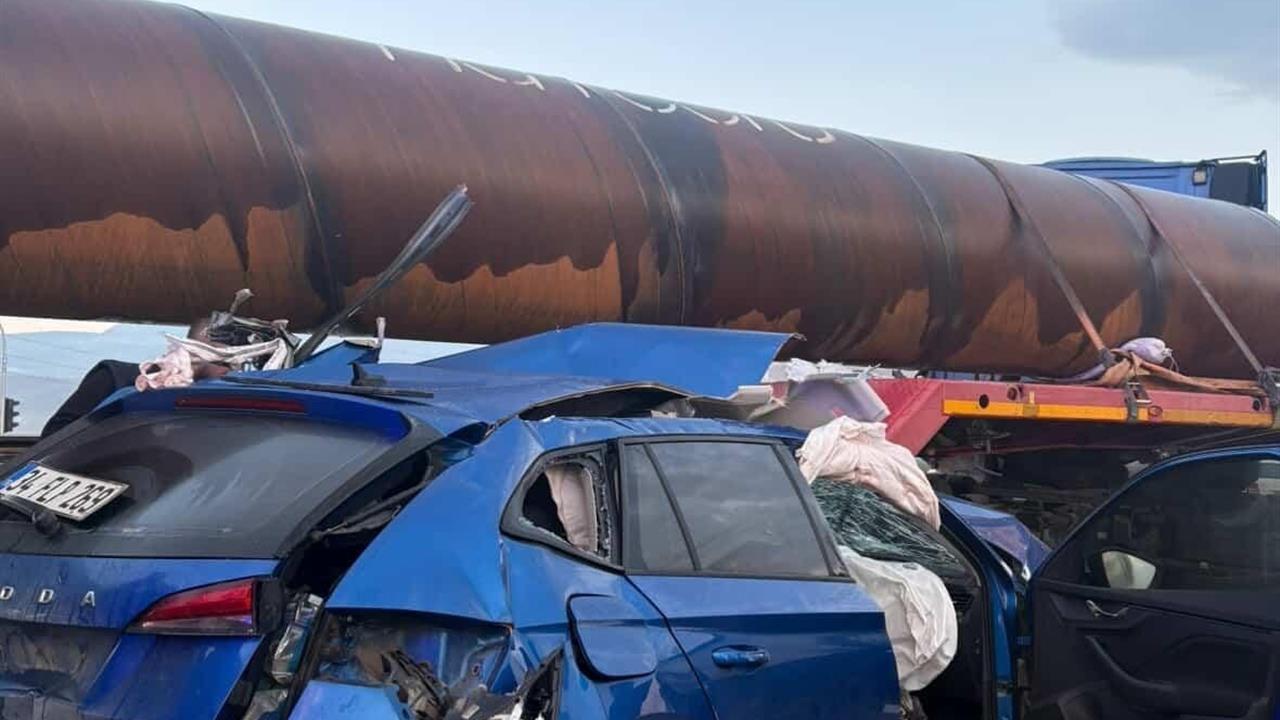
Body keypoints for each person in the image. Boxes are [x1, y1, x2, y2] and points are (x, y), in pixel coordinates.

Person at [40, 319, 221, 438]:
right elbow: (54, 439)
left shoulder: (223, 404)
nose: (239, 368)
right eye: (232, 358)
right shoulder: (115, 379)